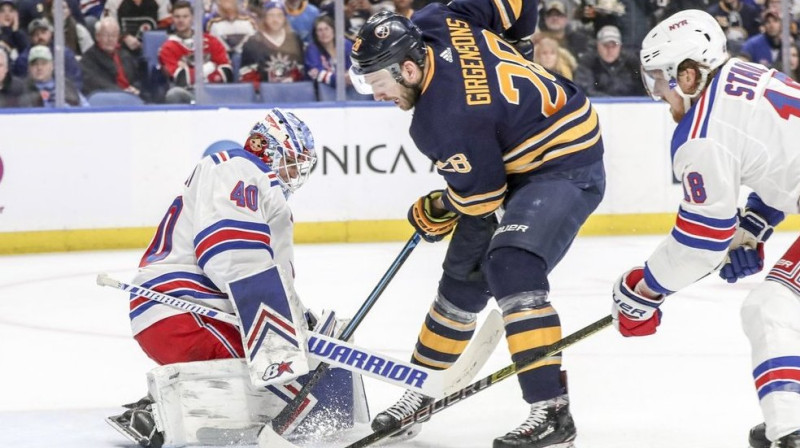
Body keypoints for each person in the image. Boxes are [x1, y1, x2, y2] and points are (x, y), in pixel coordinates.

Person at [349, 2, 606, 446]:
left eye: (378, 83)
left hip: (564, 163)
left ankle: (553, 412)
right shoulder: (434, 19)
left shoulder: (441, 121)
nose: (376, 94)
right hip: (513, 153)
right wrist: (519, 38)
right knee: (461, 282)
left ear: (409, 69)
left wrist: (442, 205)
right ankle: (422, 391)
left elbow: (482, 198)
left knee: (511, 265)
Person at [612, 9, 800, 447]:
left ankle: (791, 428)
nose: (657, 93)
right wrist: (752, 226)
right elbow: (781, 166)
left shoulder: (702, 132)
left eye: (660, 79)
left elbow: (702, 241)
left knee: (770, 307)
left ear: (690, 75)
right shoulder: (742, 72)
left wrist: (645, 288)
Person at [107, 108, 325, 447]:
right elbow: (233, 256)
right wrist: (289, 327)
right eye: (292, 162)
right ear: (265, 147)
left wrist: (297, 314)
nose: (295, 174)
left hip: (182, 313)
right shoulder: (238, 167)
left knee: (287, 371)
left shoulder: (255, 184)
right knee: (292, 389)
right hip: (187, 314)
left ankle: (159, 407)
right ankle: (163, 415)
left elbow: (265, 272)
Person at [158, 0, 232, 103]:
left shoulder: (211, 41)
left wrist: (190, 71)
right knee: (174, 94)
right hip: (189, 94)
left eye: (185, 16)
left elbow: (227, 72)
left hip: (216, 91)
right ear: (172, 19)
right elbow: (182, 80)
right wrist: (210, 67)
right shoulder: (167, 48)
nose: (181, 20)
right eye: (177, 17)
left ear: (192, 18)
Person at [239, 1, 304, 85]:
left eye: (279, 15)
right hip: (263, 93)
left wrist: (292, 78)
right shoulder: (253, 42)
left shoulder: (295, 40)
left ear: (285, 18)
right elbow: (247, 74)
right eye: (271, 15)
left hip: (291, 91)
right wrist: (261, 89)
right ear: (264, 18)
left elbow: (300, 69)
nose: (275, 19)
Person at [80, 17, 143, 98]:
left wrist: (135, 89)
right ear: (97, 36)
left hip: (132, 98)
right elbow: (96, 83)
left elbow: (136, 79)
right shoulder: (88, 59)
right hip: (107, 100)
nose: (110, 39)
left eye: (114, 35)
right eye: (106, 35)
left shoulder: (125, 55)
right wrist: (122, 92)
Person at [574, 25, 646, 97]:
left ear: (620, 46)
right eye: (605, 45)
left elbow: (646, 88)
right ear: (598, 45)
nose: (610, 50)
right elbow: (584, 90)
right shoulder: (588, 62)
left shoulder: (632, 62)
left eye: (614, 46)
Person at [18, 44, 88, 106]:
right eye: (35, 64)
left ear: (52, 66)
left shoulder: (67, 85)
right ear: (29, 68)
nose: (39, 68)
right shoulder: (20, 89)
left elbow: (85, 109)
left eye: (44, 63)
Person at [304, 14, 352, 88]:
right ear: (315, 34)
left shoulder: (346, 45)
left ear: (333, 30)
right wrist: (340, 79)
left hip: (349, 88)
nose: (324, 33)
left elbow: (354, 66)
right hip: (322, 90)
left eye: (326, 29)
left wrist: (351, 76)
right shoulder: (312, 49)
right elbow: (316, 72)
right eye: (320, 30)